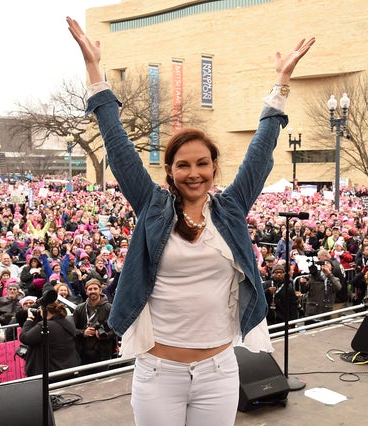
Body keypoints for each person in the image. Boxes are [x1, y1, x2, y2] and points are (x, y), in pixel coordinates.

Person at [68, 15, 314, 426]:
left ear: (214, 167)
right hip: (159, 371)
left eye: (203, 163)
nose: (194, 172)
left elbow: (262, 147)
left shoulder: (231, 209)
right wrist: (95, 71)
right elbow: (116, 141)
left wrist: (282, 83)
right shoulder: (151, 205)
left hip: (219, 371)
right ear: (170, 170)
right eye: (183, 165)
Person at [19, 301, 80, 378]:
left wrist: (29, 319)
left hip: (50, 372)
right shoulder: (69, 321)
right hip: (68, 369)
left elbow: (25, 338)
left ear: (45, 311)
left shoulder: (44, 326)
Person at [73, 279, 116, 366]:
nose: (93, 291)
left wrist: (105, 335)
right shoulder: (79, 308)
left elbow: (116, 330)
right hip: (83, 353)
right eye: (90, 289)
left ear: (100, 290)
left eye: (95, 289)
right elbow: (72, 329)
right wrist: (83, 332)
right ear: (86, 292)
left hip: (103, 353)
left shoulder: (110, 308)